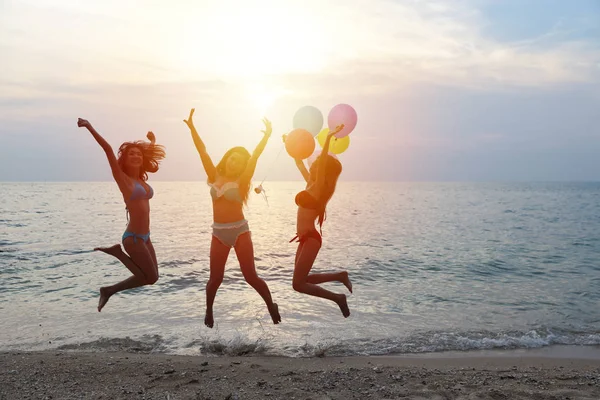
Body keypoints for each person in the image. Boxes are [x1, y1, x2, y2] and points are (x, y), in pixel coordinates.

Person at [183, 108, 281, 328]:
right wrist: (192, 128)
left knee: (251, 277)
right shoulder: (213, 175)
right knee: (215, 279)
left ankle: (270, 304)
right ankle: (209, 311)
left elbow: (255, 156)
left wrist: (266, 136)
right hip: (218, 232)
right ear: (226, 159)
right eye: (232, 159)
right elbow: (202, 151)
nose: (233, 163)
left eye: (239, 161)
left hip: (239, 230)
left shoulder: (243, 180)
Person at [77, 118, 165, 312]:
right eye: (131, 154)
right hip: (132, 238)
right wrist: (90, 126)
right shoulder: (122, 179)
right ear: (124, 159)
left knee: (153, 278)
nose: (136, 156)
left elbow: (148, 155)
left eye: (138, 154)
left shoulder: (141, 180)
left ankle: (110, 284)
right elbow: (108, 149)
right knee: (149, 277)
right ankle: (111, 281)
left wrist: (152, 142)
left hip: (145, 237)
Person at [287, 125, 352, 317]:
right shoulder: (311, 185)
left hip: (311, 239)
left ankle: (338, 298)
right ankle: (340, 276)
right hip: (305, 239)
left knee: (298, 284)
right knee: (301, 280)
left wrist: (328, 138)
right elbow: (299, 163)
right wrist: (290, 143)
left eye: (315, 166)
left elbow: (323, 161)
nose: (313, 166)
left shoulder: (318, 190)